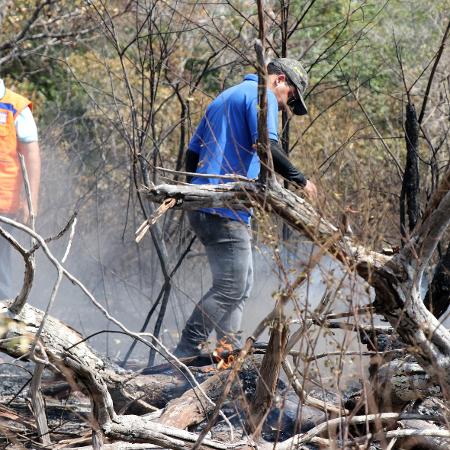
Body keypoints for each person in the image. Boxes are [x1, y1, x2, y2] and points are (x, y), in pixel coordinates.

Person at [174, 58, 317, 357]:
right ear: (279, 80)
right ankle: (185, 351)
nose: (286, 105)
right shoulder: (261, 97)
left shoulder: (226, 96)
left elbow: (193, 151)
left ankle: (229, 354)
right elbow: (267, 147)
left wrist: (196, 192)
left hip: (206, 206)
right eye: (290, 96)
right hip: (224, 209)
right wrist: (302, 181)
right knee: (231, 288)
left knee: (240, 286)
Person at [0, 78, 41, 299]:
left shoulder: (15, 107)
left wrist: (31, 199)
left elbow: (31, 154)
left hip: (3, 206)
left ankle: (4, 324)